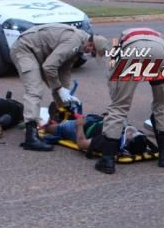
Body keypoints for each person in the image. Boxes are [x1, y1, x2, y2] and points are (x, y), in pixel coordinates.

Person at [10, 23, 107, 152]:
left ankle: (60, 117)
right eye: (93, 53)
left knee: (60, 87)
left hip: (41, 54)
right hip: (25, 49)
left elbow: (65, 70)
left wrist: (66, 94)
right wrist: (59, 89)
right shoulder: (74, 42)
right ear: (90, 45)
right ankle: (31, 137)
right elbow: (49, 67)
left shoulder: (79, 47)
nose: (91, 55)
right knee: (35, 90)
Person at [95, 27, 164, 175]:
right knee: (163, 104)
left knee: (119, 107)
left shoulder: (123, 39)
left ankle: (107, 160)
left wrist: (116, 95)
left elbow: (112, 68)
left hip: (133, 52)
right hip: (159, 52)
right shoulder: (158, 38)